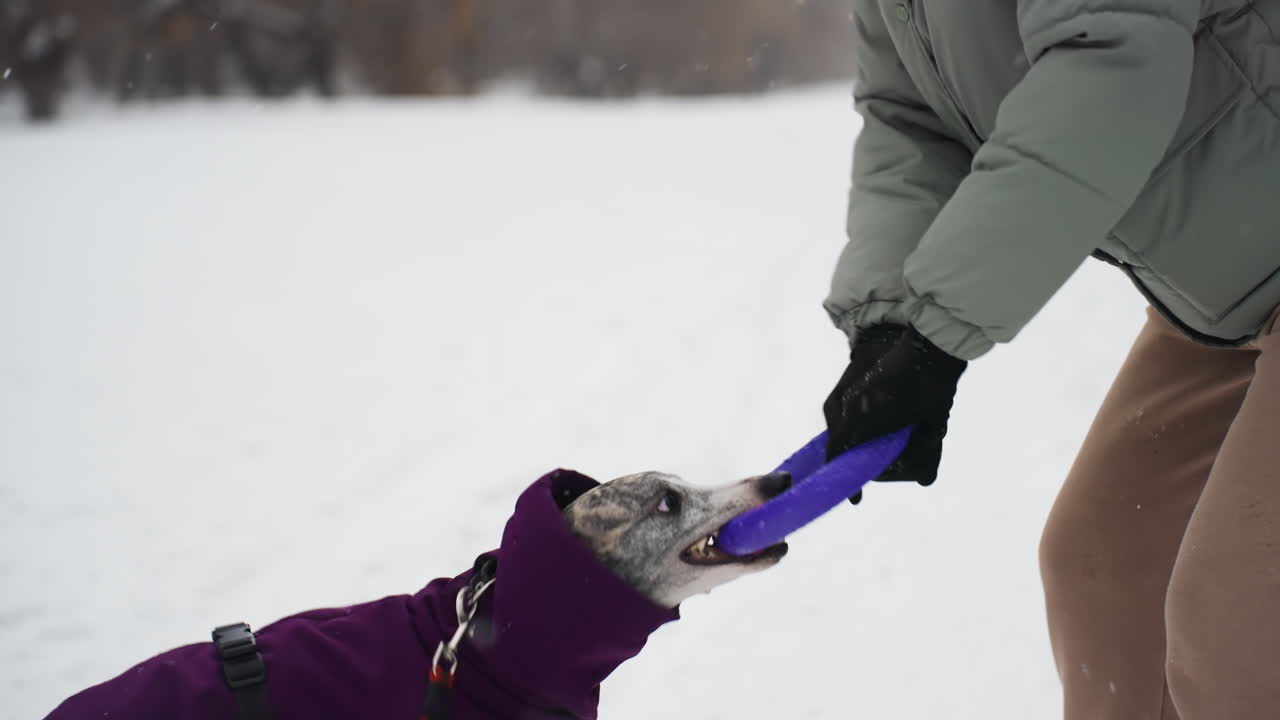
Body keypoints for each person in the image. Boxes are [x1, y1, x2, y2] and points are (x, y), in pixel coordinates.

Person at [819, 2, 1280, 718]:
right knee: (1103, 571)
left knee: (1239, 620)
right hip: (1227, 299)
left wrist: (940, 332)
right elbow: (909, 119)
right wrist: (889, 326)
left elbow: (1111, 66)